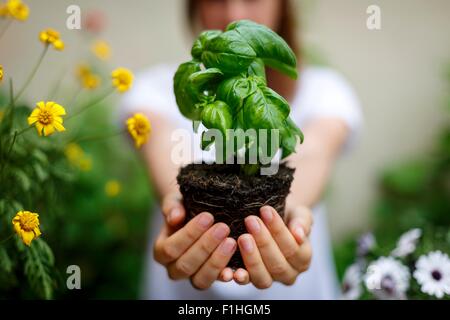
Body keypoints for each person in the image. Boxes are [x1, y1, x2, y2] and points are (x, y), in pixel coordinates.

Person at [121, 0, 363, 299]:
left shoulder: (326, 90)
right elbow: (163, 143)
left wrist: (289, 213)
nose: (234, 13)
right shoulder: (155, 87)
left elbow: (312, 152)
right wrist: (178, 202)